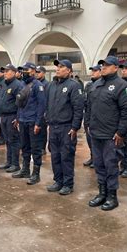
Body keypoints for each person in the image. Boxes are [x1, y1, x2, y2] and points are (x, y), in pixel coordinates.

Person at [86, 56, 127, 211]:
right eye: (102, 65)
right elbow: (90, 108)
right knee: (99, 165)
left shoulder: (122, 86)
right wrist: (88, 125)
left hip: (111, 135)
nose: (103, 67)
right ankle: (102, 193)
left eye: (107, 65)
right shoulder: (96, 85)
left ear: (115, 68)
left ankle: (112, 196)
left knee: (111, 166)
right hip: (96, 133)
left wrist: (120, 132)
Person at [45, 59, 84, 195]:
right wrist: (48, 122)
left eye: (61, 67)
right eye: (57, 66)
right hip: (53, 126)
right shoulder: (51, 85)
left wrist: (75, 127)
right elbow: (48, 106)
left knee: (66, 156)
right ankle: (58, 180)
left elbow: (78, 109)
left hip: (66, 127)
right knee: (55, 155)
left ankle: (68, 184)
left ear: (69, 70)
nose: (58, 69)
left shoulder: (74, 86)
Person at [13, 62, 46, 184]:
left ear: (33, 71)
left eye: (26, 70)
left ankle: (35, 174)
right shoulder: (22, 84)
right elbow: (19, 104)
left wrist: (38, 123)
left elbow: (41, 106)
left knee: (35, 148)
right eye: (23, 70)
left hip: (33, 121)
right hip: (22, 120)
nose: (24, 72)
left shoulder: (38, 85)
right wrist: (17, 118)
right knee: (24, 146)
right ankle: (25, 169)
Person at [0, 64, 24, 173]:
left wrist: (17, 118)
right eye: (4, 71)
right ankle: (8, 162)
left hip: (12, 116)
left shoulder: (17, 85)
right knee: (8, 140)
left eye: (7, 71)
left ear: (13, 72)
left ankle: (15, 164)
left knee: (14, 140)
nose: (5, 73)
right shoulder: (4, 84)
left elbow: (20, 104)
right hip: (3, 116)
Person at [83, 64, 102, 169]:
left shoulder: (101, 84)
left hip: (97, 117)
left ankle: (97, 159)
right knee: (89, 140)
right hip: (87, 115)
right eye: (92, 71)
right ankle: (92, 157)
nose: (92, 73)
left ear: (100, 72)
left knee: (96, 142)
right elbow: (86, 100)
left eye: (95, 71)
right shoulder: (89, 85)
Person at [36, 65, 49, 155]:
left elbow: (47, 98)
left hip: (43, 110)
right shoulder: (35, 83)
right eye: (36, 72)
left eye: (39, 72)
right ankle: (36, 146)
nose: (37, 74)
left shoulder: (47, 84)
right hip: (35, 110)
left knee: (42, 130)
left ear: (43, 73)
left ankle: (42, 147)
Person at [0, 67, 6, 145]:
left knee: (1, 124)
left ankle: (2, 138)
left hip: (2, 107)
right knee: (0, 124)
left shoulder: (3, 82)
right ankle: (1, 137)